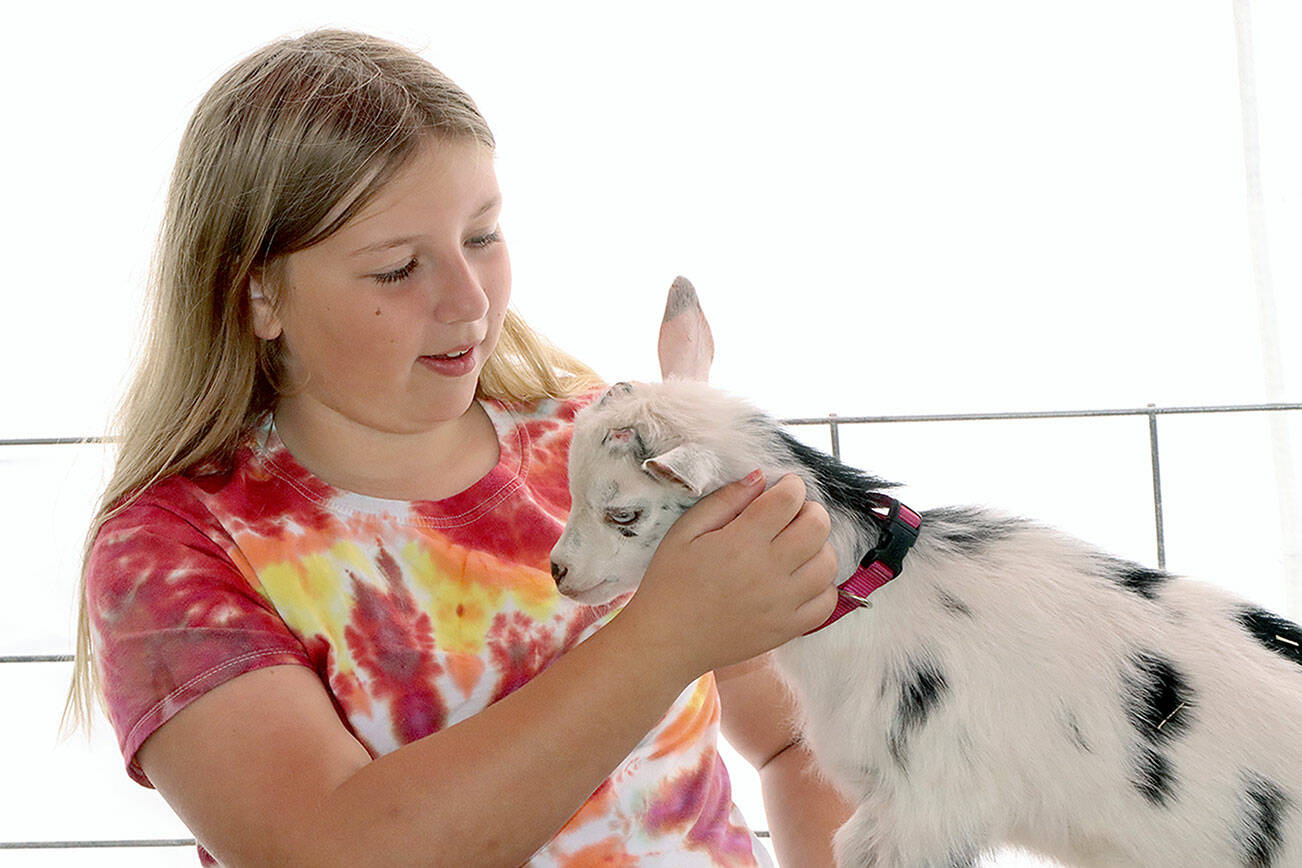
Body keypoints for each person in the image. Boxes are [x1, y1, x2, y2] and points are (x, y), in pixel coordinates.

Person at [65, 28, 851, 866]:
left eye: (482, 236)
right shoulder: (171, 554)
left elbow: (802, 744)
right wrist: (666, 635)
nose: (470, 301)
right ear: (258, 290)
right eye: (399, 268)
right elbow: (329, 852)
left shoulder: (603, 453)